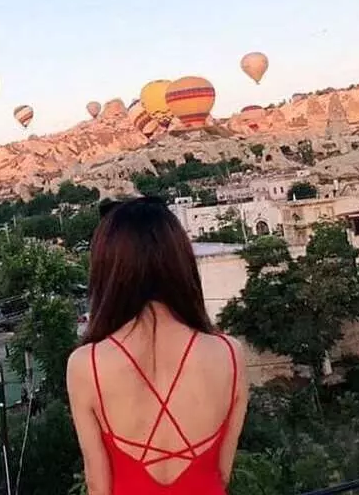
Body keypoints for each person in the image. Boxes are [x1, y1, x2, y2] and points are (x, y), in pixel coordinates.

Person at [66, 197, 248, 495]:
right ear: (179, 261)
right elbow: (221, 475)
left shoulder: (87, 365)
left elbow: (98, 485)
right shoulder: (230, 353)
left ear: (108, 269)